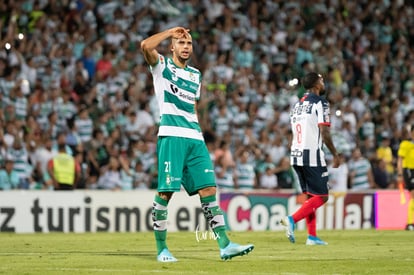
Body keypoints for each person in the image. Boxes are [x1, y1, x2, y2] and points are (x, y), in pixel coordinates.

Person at [140, 26, 254, 262]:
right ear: (172, 47)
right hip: (171, 135)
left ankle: (225, 245)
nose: (185, 47)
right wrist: (171, 31)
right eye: (181, 43)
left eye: (189, 43)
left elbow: (192, 107)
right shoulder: (162, 65)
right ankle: (162, 248)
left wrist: (199, 132)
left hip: (195, 138)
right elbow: (145, 46)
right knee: (165, 192)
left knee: (209, 189)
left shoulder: (195, 75)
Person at [281, 72, 340, 245]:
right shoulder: (320, 102)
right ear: (316, 84)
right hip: (312, 155)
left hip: (296, 154)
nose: (323, 82)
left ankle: (312, 237)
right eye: (321, 80)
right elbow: (325, 131)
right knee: (322, 196)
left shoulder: (297, 105)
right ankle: (291, 219)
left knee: (310, 196)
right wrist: (335, 154)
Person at [397, 125, 414, 230]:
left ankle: (410, 223)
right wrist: (399, 174)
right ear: (411, 133)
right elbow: (400, 159)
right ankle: (409, 223)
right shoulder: (405, 144)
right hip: (409, 171)